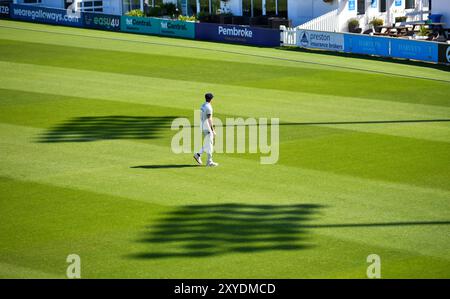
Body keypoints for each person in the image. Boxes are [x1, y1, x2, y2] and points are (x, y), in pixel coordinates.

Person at [194, 93, 218, 167]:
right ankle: (209, 161)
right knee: (209, 144)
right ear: (211, 99)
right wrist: (212, 129)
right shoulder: (209, 107)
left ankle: (198, 154)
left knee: (208, 143)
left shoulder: (203, 105)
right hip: (206, 126)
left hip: (202, 124)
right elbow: (209, 119)